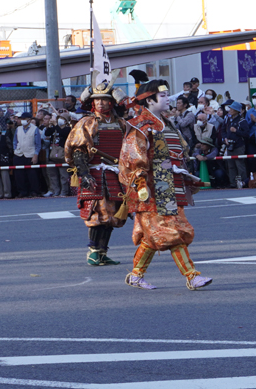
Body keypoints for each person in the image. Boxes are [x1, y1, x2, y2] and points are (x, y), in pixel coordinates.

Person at [119, 79, 212, 291]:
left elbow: (179, 154)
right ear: (149, 100)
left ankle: (136, 275)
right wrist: (141, 184)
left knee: (154, 235)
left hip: (169, 185)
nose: (168, 98)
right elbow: (132, 159)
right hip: (152, 188)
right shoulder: (140, 126)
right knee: (172, 231)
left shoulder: (166, 123)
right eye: (163, 95)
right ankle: (191, 276)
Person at [64, 77, 128, 266]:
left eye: (105, 99)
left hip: (116, 174)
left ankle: (102, 251)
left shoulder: (122, 124)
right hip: (95, 173)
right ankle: (93, 251)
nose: (100, 103)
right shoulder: (87, 122)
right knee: (97, 213)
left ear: (111, 102)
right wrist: (84, 174)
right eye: (97, 99)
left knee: (113, 214)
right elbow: (78, 150)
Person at [13, 112, 42, 198]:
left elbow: (38, 144)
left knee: (32, 175)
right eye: (21, 119)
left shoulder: (35, 129)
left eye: (24, 119)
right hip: (19, 154)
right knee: (19, 175)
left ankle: (34, 191)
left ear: (29, 120)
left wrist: (35, 155)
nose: (22, 121)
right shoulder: (18, 129)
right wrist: (15, 149)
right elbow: (15, 141)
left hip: (30, 154)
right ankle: (22, 191)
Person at [222, 101, 250, 189]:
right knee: (230, 165)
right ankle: (232, 183)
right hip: (229, 145)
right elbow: (223, 130)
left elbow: (246, 134)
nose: (230, 110)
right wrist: (225, 138)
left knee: (239, 164)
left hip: (239, 145)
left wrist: (236, 131)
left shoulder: (242, 121)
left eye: (232, 109)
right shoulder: (227, 119)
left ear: (236, 110)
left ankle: (243, 182)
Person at [44, 112, 71, 197]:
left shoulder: (68, 129)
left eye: (62, 119)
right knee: (53, 174)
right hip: (53, 153)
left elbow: (63, 133)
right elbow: (47, 133)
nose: (59, 120)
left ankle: (64, 191)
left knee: (63, 175)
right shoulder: (55, 128)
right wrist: (50, 125)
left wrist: (56, 125)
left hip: (62, 154)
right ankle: (56, 190)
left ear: (66, 121)